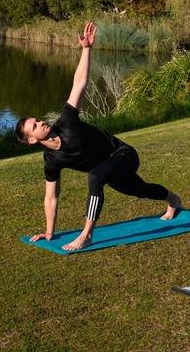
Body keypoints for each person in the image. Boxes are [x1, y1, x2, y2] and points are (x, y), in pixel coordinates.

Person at [20, 22, 180, 251]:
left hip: (124, 154)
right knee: (140, 190)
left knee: (95, 176)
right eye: (35, 126)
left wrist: (86, 49)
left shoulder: (66, 120)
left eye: (37, 120)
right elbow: (51, 198)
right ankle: (173, 199)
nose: (41, 122)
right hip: (109, 168)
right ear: (32, 140)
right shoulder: (51, 161)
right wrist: (49, 231)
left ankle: (87, 235)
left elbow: (79, 83)